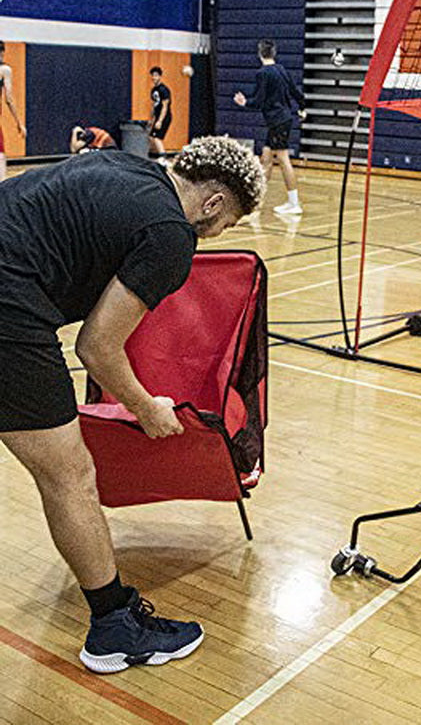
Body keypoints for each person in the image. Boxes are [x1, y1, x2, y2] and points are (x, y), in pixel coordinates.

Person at [0, 136, 265, 672]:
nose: (219, 235)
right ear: (213, 202)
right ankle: (114, 628)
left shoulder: (123, 164)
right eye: (228, 223)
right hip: (9, 310)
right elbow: (96, 346)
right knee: (69, 475)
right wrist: (146, 407)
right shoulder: (171, 234)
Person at [233, 38, 307, 215]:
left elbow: (259, 101)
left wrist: (244, 103)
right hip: (282, 119)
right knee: (266, 158)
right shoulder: (281, 70)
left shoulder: (263, 73)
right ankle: (256, 202)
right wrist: (302, 108)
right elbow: (296, 92)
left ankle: (294, 203)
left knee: (283, 159)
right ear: (274, 53)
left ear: (259, 53)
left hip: (277, 121)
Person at [0, 40, 27, 181]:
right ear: (2, 52)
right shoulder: (4, 70)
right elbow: (9, 99)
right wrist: (19, 123)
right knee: (0, 155)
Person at [148, 66, 172, 158]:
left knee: (157, 138)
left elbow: (165, 106)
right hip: (157, 117)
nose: (154, 78)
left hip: (165, 117)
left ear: (160, 76)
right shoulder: (154, 90)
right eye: (153, 76)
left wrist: (160, 121)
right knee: (151, 138)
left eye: (156, 75)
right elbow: (154, 106)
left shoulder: (164, 90)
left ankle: (163, 158)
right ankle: (153, 156)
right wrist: (152, 119)